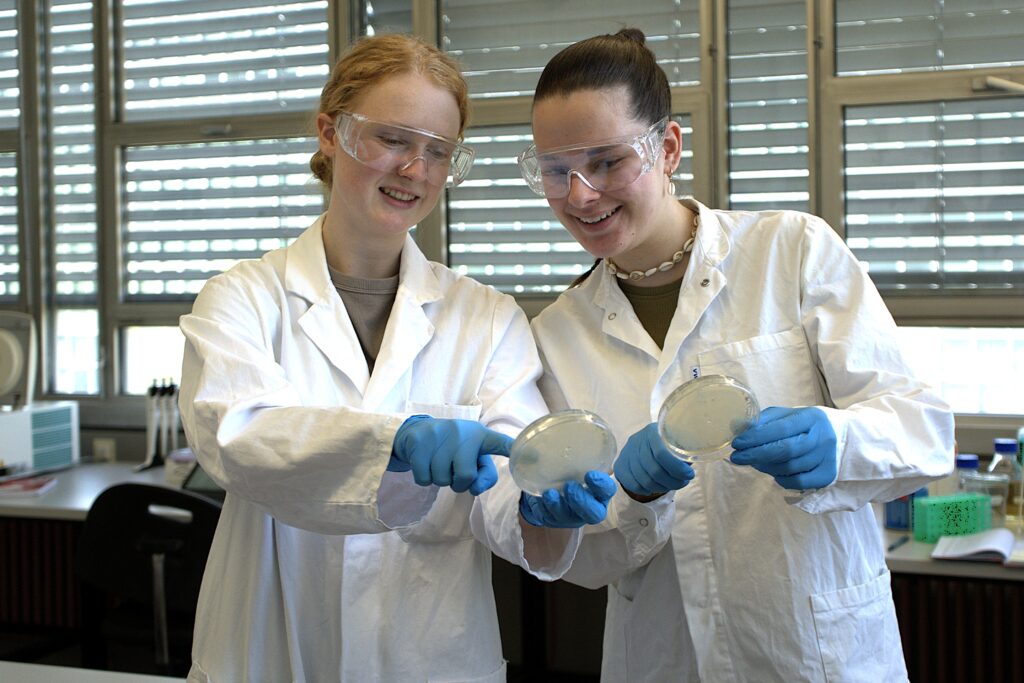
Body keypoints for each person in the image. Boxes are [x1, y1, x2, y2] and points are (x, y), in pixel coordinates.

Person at [177, 33, 634, 683]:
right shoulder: (243, 299)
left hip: (429, 657)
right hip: (271, 653)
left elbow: (508, 468)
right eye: (392, 139)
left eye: (438, 151)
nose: (415, 171)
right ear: (329, 133)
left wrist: (538, 504)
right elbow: (238, 438)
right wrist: (393, 443)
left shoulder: (485, 317)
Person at [522, 28, 955, 682]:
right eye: (556, 170)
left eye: (608, 161)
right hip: (663, 657)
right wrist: (631, 497)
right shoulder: (558, 332)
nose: (581, 195)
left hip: (816, 653)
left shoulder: (791, 251)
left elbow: (925, 430)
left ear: (667, 148)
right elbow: (579, 562)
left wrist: (837, 440)